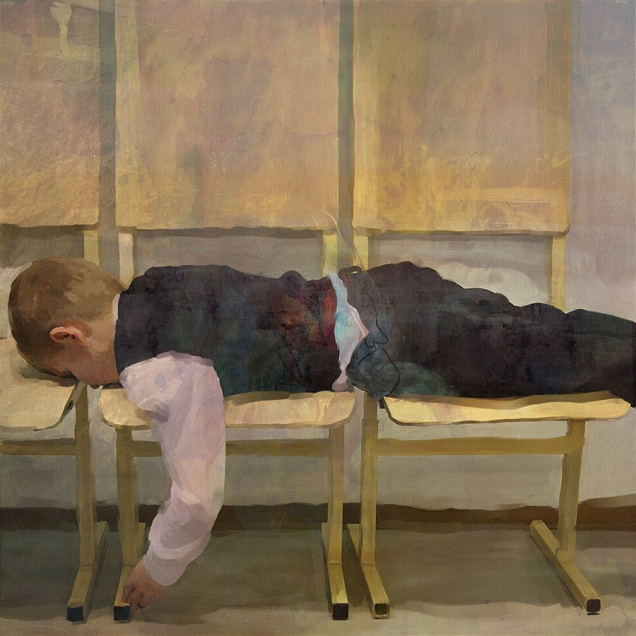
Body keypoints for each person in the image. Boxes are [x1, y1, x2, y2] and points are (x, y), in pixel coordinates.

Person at [8, 257, 635, 612]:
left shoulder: (152, 369)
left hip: (390, 341)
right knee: (550, 334)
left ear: (71, 336)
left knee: (560, 359)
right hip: (381, 287)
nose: (85, 384)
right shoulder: (150, 284)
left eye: (69, 372)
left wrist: (158, 566)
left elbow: (196, 496)